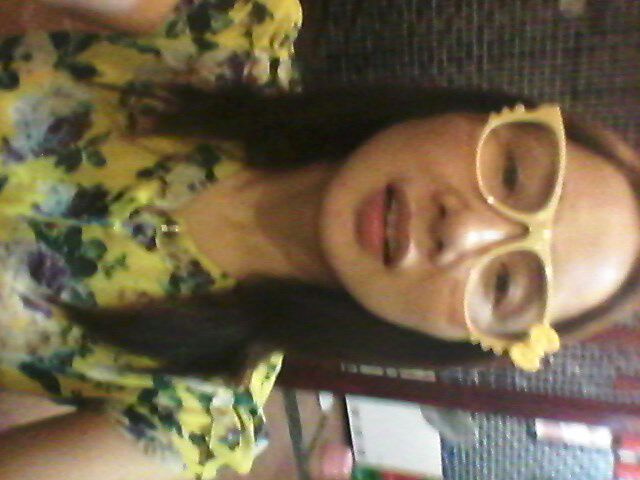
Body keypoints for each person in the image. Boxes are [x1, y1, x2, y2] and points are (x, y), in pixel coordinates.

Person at [0, 0, 639, 479]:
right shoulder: (229, 27)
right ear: (473, 113)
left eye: (502, 284)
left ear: (455, 339)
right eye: (512, 175)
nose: (462, 230)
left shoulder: (193, 416)